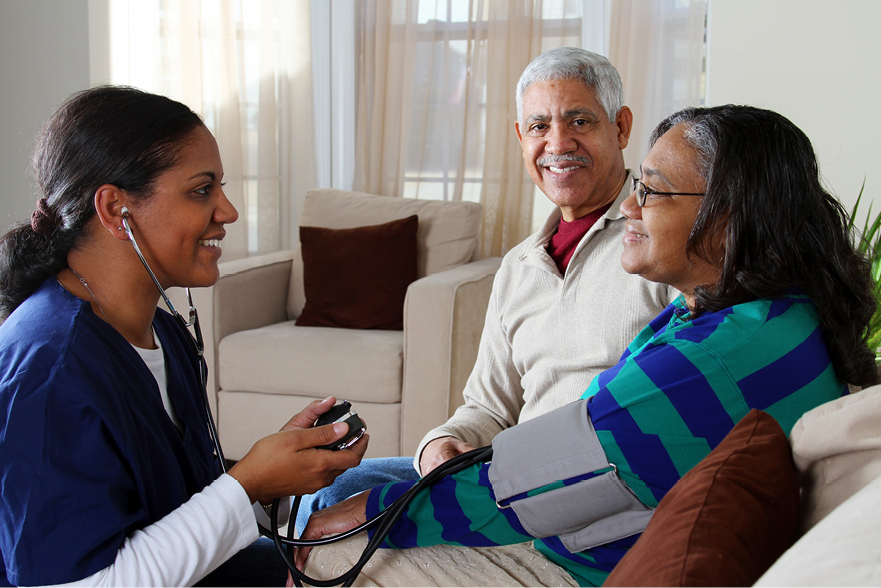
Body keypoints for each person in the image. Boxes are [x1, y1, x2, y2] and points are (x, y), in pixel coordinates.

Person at [294, 104, 878, 587]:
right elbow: (499, 414)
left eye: (650, 191)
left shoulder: (711, 355)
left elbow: (531, 487)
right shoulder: (759, 312)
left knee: (330, 546)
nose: (631, 205)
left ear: (727, 217)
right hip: (562, 494)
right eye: (538, 125)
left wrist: (367, 518)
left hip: (576, 554)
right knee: (350, 490)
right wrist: (443, 446)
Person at [295, 46, 676, 533]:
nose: (558, 143)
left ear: (620, 127)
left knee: (346, 519)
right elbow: (489, 407)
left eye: (579, 121)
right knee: (338, 486)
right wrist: (443, 444)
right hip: (505, 471)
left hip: (589, 486)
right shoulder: (519, 266)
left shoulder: (658, 240)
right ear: (521, 138)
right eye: (539, 126)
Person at [0, 86, 367, 587]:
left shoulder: (165, 332)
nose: (229, 211)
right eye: (202, 190)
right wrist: (248, 483)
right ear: (115, 209)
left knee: (390, 494)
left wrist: (277, 483)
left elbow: (180, 507)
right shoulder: (49, 372)